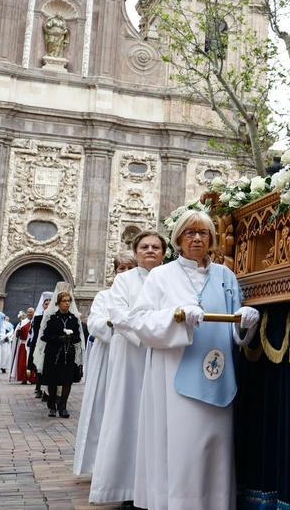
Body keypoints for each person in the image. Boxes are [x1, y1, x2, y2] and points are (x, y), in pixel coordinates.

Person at [112, 210, 259, 510]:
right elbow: (139, 321)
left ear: (212, 239)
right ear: (178, 239)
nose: (196, 238)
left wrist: (246, 321)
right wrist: (176, 317)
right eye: (190, 233)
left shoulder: (225, 276)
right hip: (175, 373)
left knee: (216, 445)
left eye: (203, 233)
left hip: (219, 375)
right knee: (183, 445)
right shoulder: (162, 276)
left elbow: (235, 327)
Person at [89, 233, 167, 504]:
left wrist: (162, 336)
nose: (150, 251)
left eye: (155, 247)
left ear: (164, 252)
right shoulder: (124, 281)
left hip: (164, 353)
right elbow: (119, 315)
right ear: (136, 252)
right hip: (131, 355)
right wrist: (150, 335)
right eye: (144, 247)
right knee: (127, 416)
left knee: (160, 419)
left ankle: (157, 489)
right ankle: (125, 490)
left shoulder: (170, 277)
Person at [75, 255, 134, 477]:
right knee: (104, 406)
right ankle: (98, 464)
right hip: (109, 354)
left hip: (133, 354)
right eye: (121, 268)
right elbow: (94, 322)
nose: (125, 271)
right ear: (115, 271)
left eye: (130, 267)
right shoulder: (104, 296)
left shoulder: (142, 292)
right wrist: (116, 327)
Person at [40, 289, 83, 418]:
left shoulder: (73, 319)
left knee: (67, 381)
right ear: (58, 303)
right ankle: (52, 405)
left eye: (69, 301)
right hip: (53, 354)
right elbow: (45, 336)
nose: (67, 303)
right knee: (53, 380)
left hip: (68, 354)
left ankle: (63, 406)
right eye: (64, 301)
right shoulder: (52, 318)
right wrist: (59, 338)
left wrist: (70, 338)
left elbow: (78, 337)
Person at [28, 292, 53, 399]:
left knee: (48, 369)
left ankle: (46, 391)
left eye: (49, 303)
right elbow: (35, 334)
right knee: (39, 367)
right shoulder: (37, 318)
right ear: (43, 306)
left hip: (50, 345)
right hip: (39, 345)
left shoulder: (54, 317)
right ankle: (38, 388)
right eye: (46, 304)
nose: (47, 305)